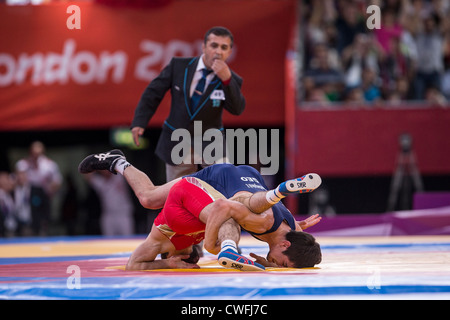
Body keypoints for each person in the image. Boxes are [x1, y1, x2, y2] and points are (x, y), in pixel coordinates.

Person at [78, 150, 322, 270]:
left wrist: (269, 263)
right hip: (225, 182)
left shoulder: (294, 232)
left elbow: (299, 238)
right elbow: (230, 206)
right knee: (240, 209)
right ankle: (276, 192)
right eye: (285, 264)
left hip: (245, 176)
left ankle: (117, 162)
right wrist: (213, 245)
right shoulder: (267, 224)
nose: (280, 267)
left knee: (149, 199)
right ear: (285, 246)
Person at [130, 26, 246, 181]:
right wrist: (139, 121)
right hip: (177, 139)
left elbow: (237, 109)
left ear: (229, 52)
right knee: (177, 193)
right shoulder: (179, 66)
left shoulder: (232, 80)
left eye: (224, 47)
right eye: (214, 45)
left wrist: (227, 80)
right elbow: (153, 92)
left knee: (223, 187)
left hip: (211, 142)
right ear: (204, 47)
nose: (218, 51)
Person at [83, 171, 134, 236]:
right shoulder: (100, 182)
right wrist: (94, 165)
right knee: (108, 240)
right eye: (103, 169)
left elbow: (125, 167)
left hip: (123, 213)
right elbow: (87, 176)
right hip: (108, 214)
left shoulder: (118, 177)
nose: (105, 171)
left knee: (128, 238)